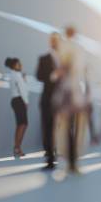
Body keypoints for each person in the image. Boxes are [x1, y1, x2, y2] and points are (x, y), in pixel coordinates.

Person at [53, 26, 88, 173]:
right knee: (76, 127)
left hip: (65, 91)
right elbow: (79, 69)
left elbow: (61, 67)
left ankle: (66, 160)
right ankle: (74, 162)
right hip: (75, 91)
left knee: (64, 127)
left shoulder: (63, 46)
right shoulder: (78, 48)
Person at [36, 32, 61, 170]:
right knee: (47, 128)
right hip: (48, 99)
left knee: (62, 128)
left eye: (56, 40)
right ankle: (50, 158)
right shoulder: (43, 59)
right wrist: (53, 75)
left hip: (63, 100)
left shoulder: (65, 60)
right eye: (52, 40)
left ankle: (64, 155)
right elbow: (39, 75)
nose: (54, 42)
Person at [5, 57, 29, 157]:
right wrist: (26, 102)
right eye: (18, 64)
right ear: (14, 65)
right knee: (23, 124)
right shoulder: (17, 75)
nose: (20, 65)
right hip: (19, 100)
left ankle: (17, 148)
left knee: (20, 124)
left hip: (15, 100)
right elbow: (23, 90)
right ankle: (17, 148)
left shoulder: (12, 74)